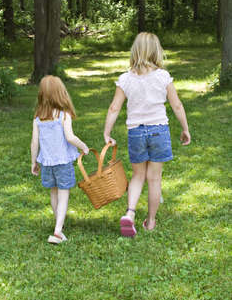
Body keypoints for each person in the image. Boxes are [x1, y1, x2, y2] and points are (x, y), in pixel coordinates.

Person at [103, 32, 191, 236]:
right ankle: (150, 222)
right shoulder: (162, 76)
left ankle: (130, 214)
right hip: (159, 130)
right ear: (156, 51)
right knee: (154, 178)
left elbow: (114, 108)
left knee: (138, 175)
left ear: (135, 51)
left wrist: (107, 132)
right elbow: (176, 105)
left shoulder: (125, 79)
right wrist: (185, 128)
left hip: (136, 132)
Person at [31, 75, 89, 244]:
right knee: (63, 195)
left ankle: (59, 224)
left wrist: (34, 162)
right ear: (60, 93)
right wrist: (83, 146)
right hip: (62, 163)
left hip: (47, 163)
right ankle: (57, 231)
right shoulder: (64, 115)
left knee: (54, 192)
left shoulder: (38, 118)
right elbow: (70, 137)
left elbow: (34, 142)